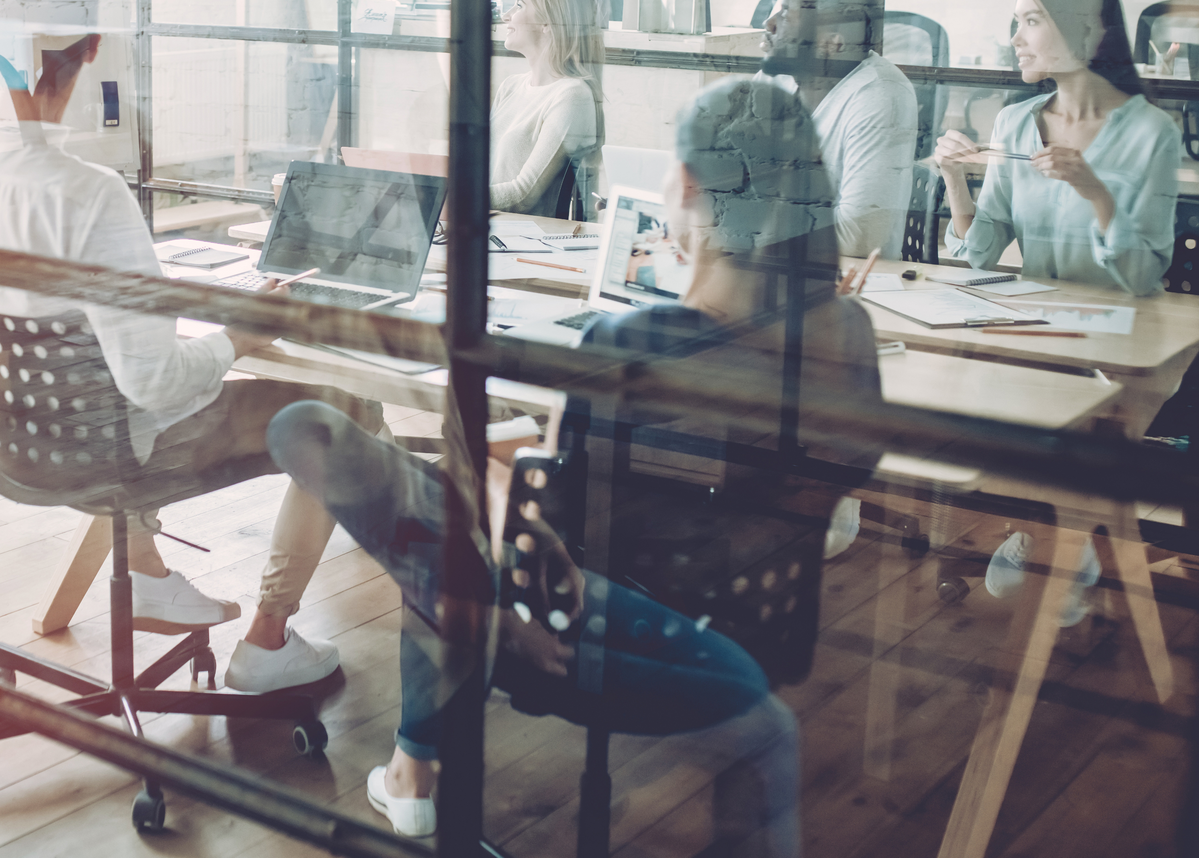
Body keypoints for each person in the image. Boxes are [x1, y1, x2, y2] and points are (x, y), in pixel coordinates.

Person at [270, 79, 880, 849]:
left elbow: (546, 541)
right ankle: (413, 766)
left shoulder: (634, 344)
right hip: (748, 629)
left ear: (685, 186)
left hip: (575, 636)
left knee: (332, 445)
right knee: (454, 526)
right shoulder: (846, 331)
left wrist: (495, 474)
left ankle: (412, 772)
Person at [0, 0, 391, 693]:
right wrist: (239, 335)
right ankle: (266, 638)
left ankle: (148, 569)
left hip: (2, 440)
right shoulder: (90, 195)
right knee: (344, 408)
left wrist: (68, 351)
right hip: (107, 449)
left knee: (116, 398)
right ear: (92, 48)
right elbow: (156, 385)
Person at [933, 0, 1178, 297]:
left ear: (1089, 29)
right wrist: (954, 178)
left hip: (1124, 331)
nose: (1015, 38)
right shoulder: (1014, 122)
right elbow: (978, 257)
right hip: (1037, 321)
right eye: (1017, 22)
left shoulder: (1152, 131)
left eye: (1032, 21)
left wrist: (1096, 193)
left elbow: (1141, 278)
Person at [760, 0, 918, 260]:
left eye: (786, 14)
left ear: (831, 43)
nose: (769, 24)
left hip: (842, 284)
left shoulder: (879, 95)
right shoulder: (774, 80)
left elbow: (857, 238)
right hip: (766, 269)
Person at [492, 0, 603, 215]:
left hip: (518, 241)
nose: (506, 15)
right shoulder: (510, 87)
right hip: (481, 227)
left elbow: (523, 195)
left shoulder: (572, 96)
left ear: (548, 23)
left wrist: (455, 196)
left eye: (519, 5)